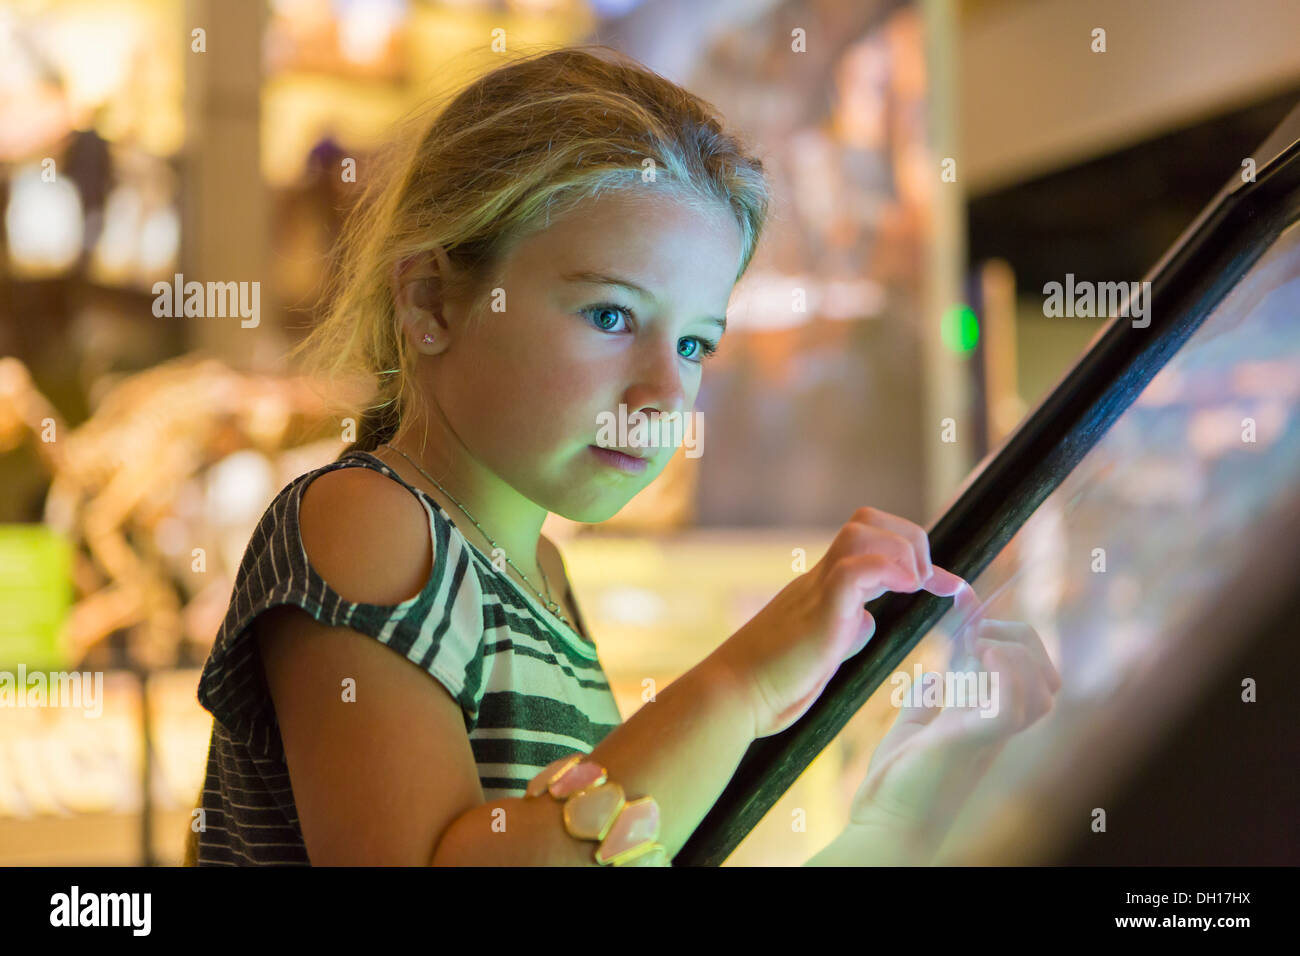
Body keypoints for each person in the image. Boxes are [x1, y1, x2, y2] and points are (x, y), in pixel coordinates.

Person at [188, 44, 1059, 867]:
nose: (664, 392)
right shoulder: (365, 522)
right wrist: (743, 683)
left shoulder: (543, 580)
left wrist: (897, 815)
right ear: (432, 302)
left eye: (693, 345)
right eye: (610, 316)